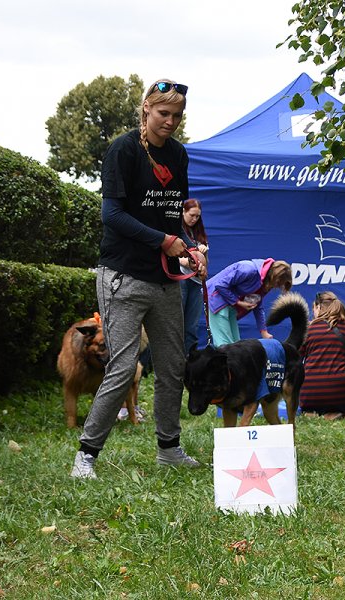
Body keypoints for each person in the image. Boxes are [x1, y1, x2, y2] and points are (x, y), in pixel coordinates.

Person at [71, 79, 206, 479]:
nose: (171, 122)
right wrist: (164, 241)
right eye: (164, 113)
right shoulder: (124, 149)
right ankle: (86, 456)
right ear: (146, 108)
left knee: (172, 366)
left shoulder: (178, 155)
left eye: (177, 116)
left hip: (164, 282)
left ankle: (169, 449)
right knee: (124, 366)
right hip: (123, 278)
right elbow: (111, 215)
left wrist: (189, 246)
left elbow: (171, 216)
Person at [298, 291, 345, 418]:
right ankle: (336, 411)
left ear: (318, 307)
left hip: (309, 396)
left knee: (313, 399)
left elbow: (296, 361)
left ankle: (313, 411)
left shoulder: (307, 329)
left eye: (313, 309)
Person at [205, 259, 292, 347]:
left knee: (236, 345)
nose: (276, 287)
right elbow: (220, 285)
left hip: (231, 306)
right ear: (275, 276)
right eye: (278, 283)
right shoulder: (248, 269)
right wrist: (238, 302)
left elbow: (258, 305)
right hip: (217, 300)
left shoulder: (265, 282)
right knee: (224, 345)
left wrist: (264, 331)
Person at [178, 199, 209, 355]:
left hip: (196, 282)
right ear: (183, 212)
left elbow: (205, 266)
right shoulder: (177, 230)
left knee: (192, 327)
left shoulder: (199, 234)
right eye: (191, 215)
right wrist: (187, 261)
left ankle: (189, 360)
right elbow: (170, 256)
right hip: (180, 280)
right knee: (177, 323)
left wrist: (202, 255)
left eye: (197, 216)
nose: (194, 219)